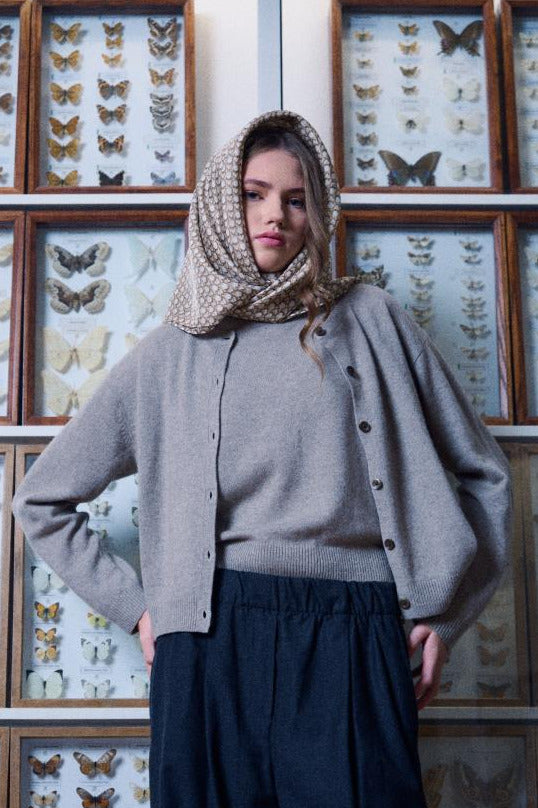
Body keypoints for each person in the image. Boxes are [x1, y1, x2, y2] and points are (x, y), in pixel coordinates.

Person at [12, 109, 513, 807]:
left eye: (296, 198)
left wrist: (451, 617)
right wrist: (138, 610)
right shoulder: (170, 354)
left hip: (357, 633)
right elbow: (41, 499)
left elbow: (486, 473)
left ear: (317, 213)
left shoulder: (371, 321)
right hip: (210, 642)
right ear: (222, 201)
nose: (275, 214)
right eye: (254, 193)